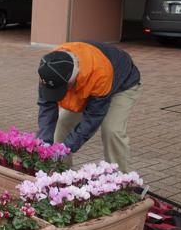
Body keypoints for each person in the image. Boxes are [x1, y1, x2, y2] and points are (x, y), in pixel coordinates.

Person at [37, 41, 142, 172]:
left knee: (112, 130)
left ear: (72, 80)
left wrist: (67, 146)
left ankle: (120, 181)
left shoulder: (100, 74)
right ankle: (60, 175)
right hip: (87, 85)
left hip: (122, 86)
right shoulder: (50, 67)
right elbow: (47, 106)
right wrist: (45, 143)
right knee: (62, 123)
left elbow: (92, 118)